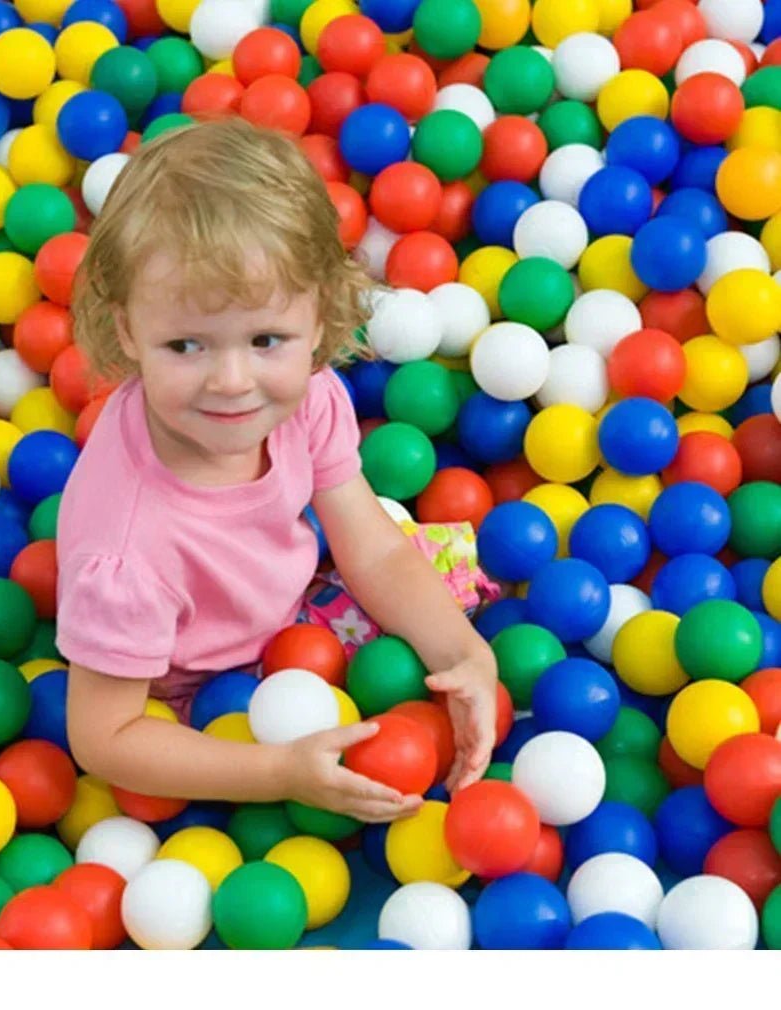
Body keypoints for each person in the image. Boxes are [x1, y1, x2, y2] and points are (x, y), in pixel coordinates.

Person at [58, 116, 499, 826]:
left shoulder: (304, 397)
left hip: (295, 613)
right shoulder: (126, 555)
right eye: (186, 345)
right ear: (126, 331)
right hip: (194, 689)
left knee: (443, 571)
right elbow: (104, 738)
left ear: (320, 320)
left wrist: (465, 653)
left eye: (266, 339)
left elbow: (373, 545)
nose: (233, 381)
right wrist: (279, 772)